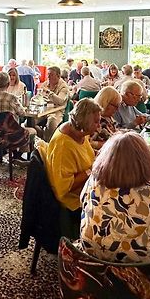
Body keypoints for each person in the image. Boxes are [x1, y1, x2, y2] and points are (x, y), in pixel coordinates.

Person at [80, 131, 150, 292]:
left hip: (92, 265)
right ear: (145, 162)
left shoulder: (93, 182)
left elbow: (81, 203)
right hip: (143, 274)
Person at [38, 99, 101, 237]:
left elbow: (86, 157)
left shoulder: (79, 132)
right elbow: (64, 188)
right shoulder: (64, 145)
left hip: (87, 185)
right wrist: (92, 169)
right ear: (85, 121)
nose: (99, 125)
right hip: (72, 200)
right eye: (96, 122)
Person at [0, 71, 35, 161]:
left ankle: (8, 152)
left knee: (10, 125)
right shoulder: (11, 98)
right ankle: (18, 155)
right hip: (10, 136)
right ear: (8, 84)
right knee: (32, 131)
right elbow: (22, 113)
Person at [37, 66, 69, 142]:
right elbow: (39, 96)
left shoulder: (63, 86)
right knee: (29, 122)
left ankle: (48, 146)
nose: (48, 76)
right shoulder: (45, 84)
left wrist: (49, 93)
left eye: (51, 75)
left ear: (58, 76)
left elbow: (60, 101)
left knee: (51, 122)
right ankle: (42, 140)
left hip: (56, 111)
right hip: (43, 110)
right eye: (48, 74)